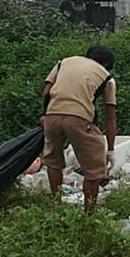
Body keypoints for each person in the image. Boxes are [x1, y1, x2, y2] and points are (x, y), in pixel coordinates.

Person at [41, 46, 117, 212]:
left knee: (53, 162)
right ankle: (88, 214)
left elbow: (46, 92)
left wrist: (45, 116)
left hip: (52, 115)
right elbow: (110, 117)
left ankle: (56, 205)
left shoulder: (64, 63)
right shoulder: (107, 77)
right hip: (79, 119)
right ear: (105, 64)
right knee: (94, 170)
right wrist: (110, 149)